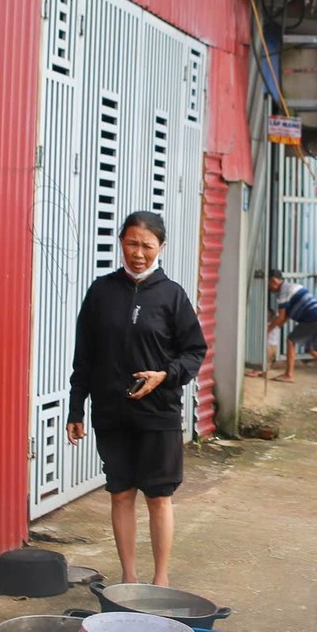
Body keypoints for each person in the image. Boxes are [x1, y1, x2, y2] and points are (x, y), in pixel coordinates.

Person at [67, 211, 207, 586]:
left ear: (161, 247)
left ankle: (160, 581)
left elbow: (194, 351)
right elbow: (84, 356)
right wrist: (76, 406)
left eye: (147, 245)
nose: (138, 253)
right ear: (121, 244)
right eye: (131, 244)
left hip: (158, 413)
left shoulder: (172, 295)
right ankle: (129, 578)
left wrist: (165, 376)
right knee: (120, 493)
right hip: (111, 413)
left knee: (159, 497)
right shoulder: (101, 292)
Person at [267, 273, 317, 380]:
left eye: (269, 285)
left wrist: (268, 329)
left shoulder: (283, 291)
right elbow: (285, 316)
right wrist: (278, 325)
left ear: (274, 281)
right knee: (312, 349)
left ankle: (288, 374)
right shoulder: (290, 287)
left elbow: (281, 317)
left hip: (311, 317)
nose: (269, 289)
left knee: (291, 340)